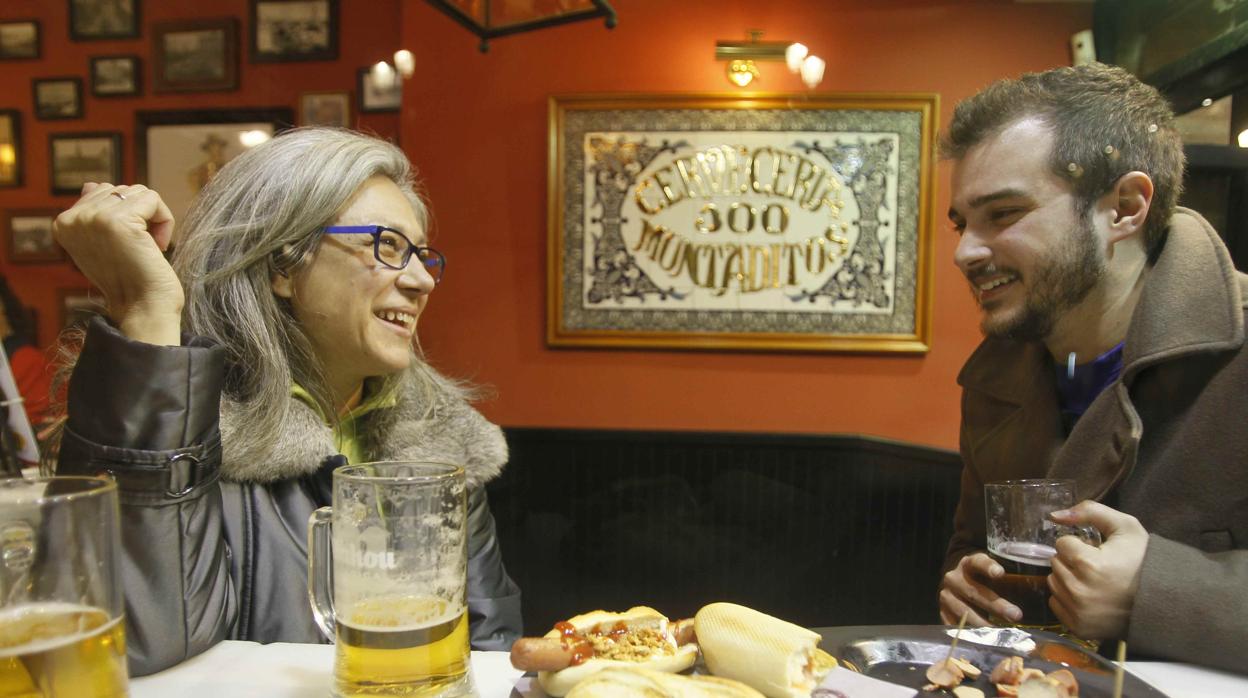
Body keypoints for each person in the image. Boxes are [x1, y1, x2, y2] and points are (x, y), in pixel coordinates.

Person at [50, 128, 523, 675]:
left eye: (419, 253)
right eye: (387, 246)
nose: (421, 280)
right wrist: (147, 310)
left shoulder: (441, 441)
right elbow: (136, 648)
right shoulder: (188, 435)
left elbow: (491, 653)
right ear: (281, 264)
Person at [937, 63, 1247, 674]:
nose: (965, 251)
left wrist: (1155, 593)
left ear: (1125, 208)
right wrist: (969, 587)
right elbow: (972, 549)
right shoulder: (993, 378)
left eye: (1001, 215)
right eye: (962, 223)